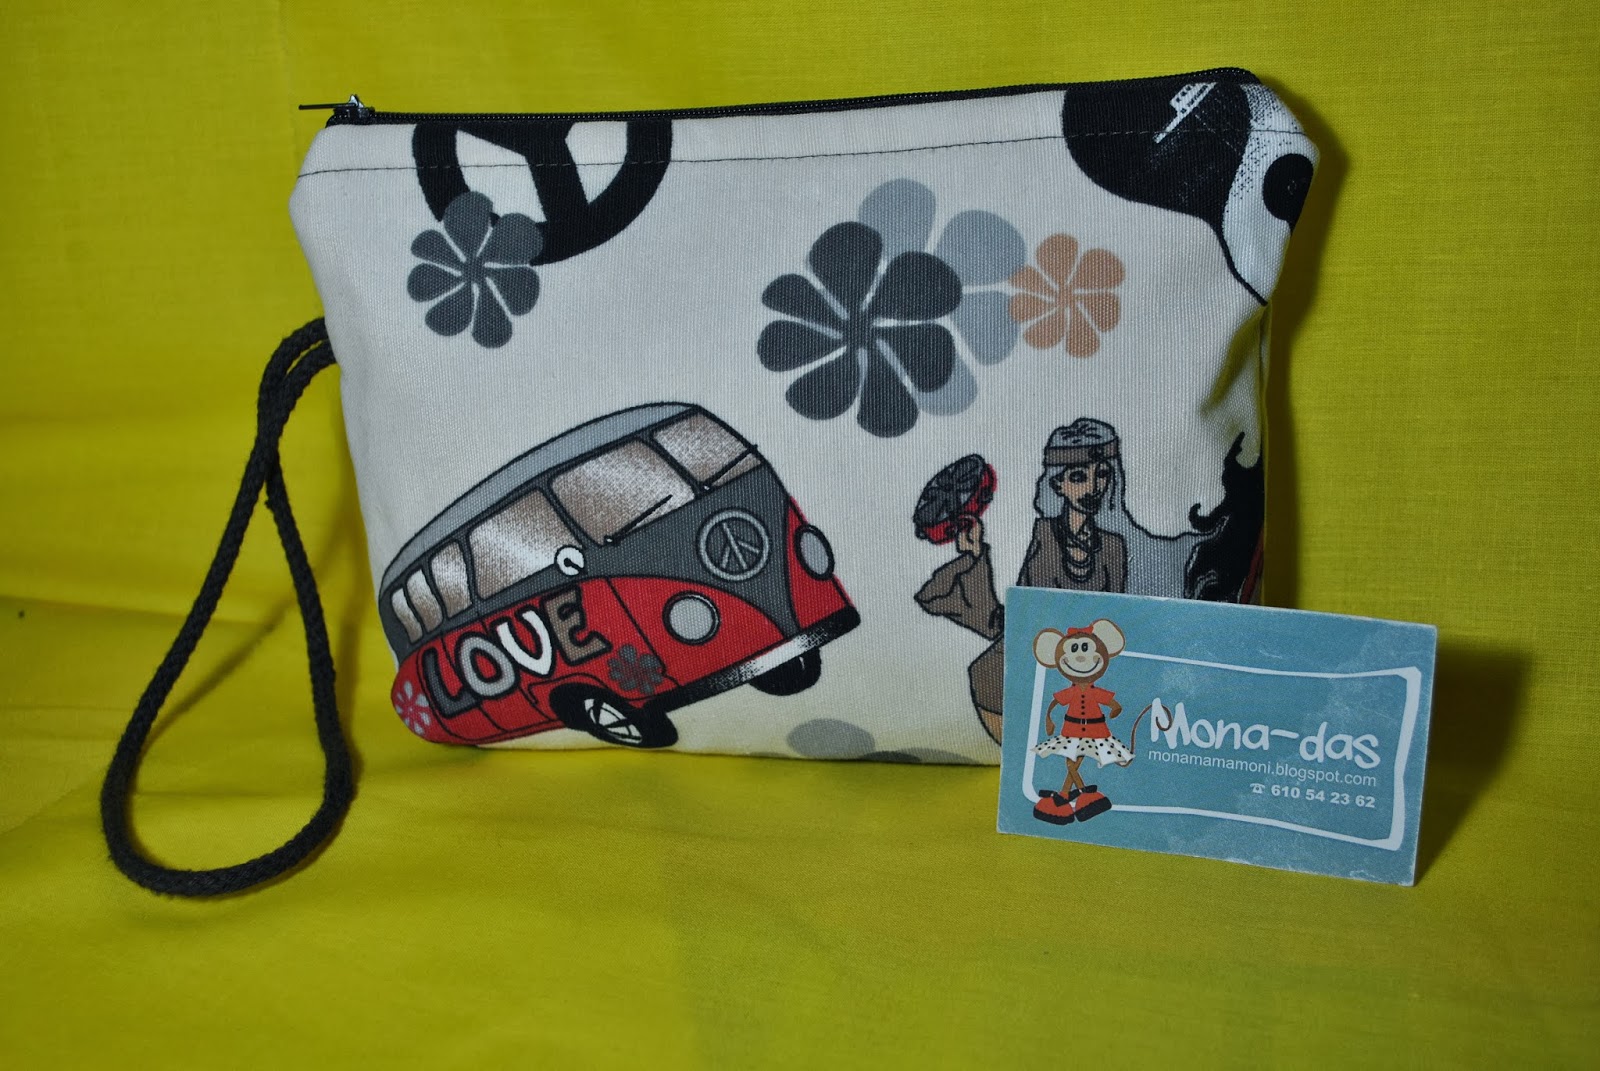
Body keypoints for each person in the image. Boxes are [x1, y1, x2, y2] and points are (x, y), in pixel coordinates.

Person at [915, 419, 1129, 744]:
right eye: (1078, 477)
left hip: (1096, 652)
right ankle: (1025, 758)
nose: (1093, 487)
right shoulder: (1044, 534)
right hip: (1041, 642)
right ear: (1058, 485)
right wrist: (975, 553)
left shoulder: (1113, 545)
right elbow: (1027, 609)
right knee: (988, 673)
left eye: (1102, 475)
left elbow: (1119, 614)